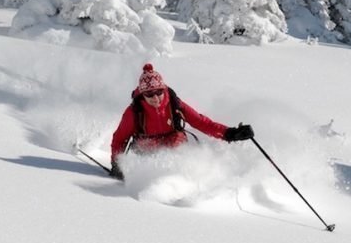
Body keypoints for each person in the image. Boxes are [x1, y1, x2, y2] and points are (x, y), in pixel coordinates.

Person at [109, 63, 254, 179]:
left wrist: (230, 133)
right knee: (147, 152)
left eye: (159, 92)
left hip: (174, 146)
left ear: (164, 89)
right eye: (149, 94)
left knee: (179, 144)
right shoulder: (134, 112)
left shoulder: (175, 104)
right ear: (142, 94)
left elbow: (201, 122)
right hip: (146, 149)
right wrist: (117, 164)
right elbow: (119, 138)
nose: (155, 98)